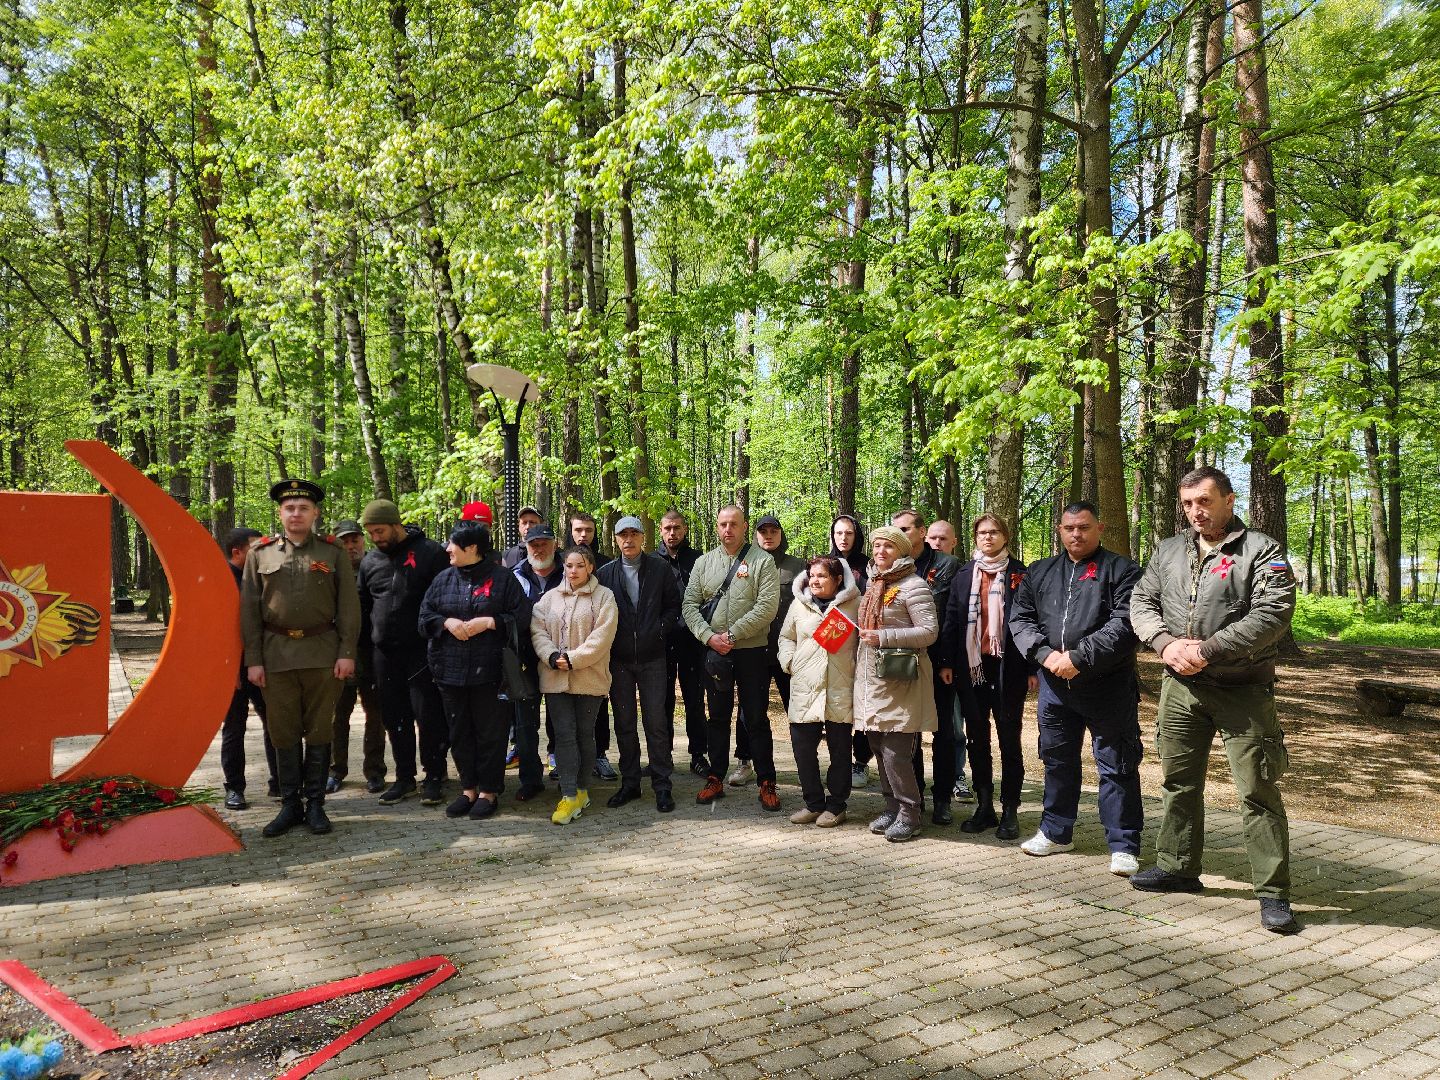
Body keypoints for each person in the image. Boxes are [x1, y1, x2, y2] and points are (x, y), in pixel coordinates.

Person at [1129, 467, 1300, 934]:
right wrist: (1166, 645)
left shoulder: (1260, 550)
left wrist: (1206, 650)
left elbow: (1273, 614)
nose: (1195, 512)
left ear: (1228, 499)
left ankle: (1272, 892)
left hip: (1243, 689)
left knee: (1257, 790)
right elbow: (1141, 602)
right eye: (1187, 504)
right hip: (1180, 688)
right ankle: (1178, 867)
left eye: (1204, 502)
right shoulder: (1168, 550)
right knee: (1179, 781)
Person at [1007, 503, 1144, 875]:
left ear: (1099, 528)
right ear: (1059, 529)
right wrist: (1046, 654)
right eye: (1069, 528)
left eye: (1084, 527)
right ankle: (1055, 831)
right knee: (1056, 759)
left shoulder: (1123, 570)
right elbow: (1020, 617)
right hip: (1054, 686)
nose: (1076, 535)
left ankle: (1123, 842)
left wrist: (1079, 657)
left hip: (1107, 685)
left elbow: (1126, 623)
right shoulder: (1040, 571)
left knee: (1116, 763)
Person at [240, 479, 360, 838]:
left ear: (315, 513)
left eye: (303, 508)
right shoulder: (259, 554)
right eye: (290, 508)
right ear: (280, 512)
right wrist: (254, 659)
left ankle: (316, 805)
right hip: (276, 657)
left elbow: (349, 609)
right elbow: (248, 611)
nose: (296, 514)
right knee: (283, 732)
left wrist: (347, 653)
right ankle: (290, 805)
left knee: (321, 729)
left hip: (323, 654)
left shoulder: (332, 552)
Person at [419, 521, 532, 821]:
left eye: (452, 544)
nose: (447, 549)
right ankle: (468, 788)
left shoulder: (503, 579)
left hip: (491, 672)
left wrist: (490, 622)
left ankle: (489, 791)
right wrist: (446, 623)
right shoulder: (442, 579)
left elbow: (522, 617)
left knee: (490, 733)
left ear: (471, 548)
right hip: (449, 672)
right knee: (460, 732)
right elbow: (424, 618)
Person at [681, 505, 782, 811]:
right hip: (715, 653)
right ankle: (716, 776)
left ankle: (766, 781)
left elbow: (767, 606)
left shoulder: (762, 561)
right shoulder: (704, 562)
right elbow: (689, 605)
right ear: (717, 527)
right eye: (723, 524)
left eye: (734, 524)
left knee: (756, 718)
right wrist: (709, 637)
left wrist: (733, 635)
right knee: (718, 718)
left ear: (744, 526)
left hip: (752, 651)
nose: (728, 530)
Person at [941, 513, 1033, 839]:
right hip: (972, 666)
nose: (988, 537)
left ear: (1005, 537)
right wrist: (947, 663)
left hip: (1009, 668)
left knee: (1009, 740)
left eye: (994, 532)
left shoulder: (1021, 573)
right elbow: (952, 619)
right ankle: (984, 806)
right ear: (975, 537)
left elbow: (1032, 623)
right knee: (977, 738)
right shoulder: (965, 574)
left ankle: (1010, 809)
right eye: (982, 532)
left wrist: (1033, 668)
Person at [357, 499, 450, 807]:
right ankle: (405, 778)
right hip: (384, 654)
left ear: (396, 524)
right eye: (371, 532)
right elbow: (363, 608)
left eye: (380, 530)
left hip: (422, 652)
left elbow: (443, 600)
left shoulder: (430, 553)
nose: (376, 537)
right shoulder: (370, 562)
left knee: (429, 716)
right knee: (394, 717)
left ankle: (434, 776)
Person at [853, 525, 939, 842]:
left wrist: (883, 636)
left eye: (888, 546)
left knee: (896, 752)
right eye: (876, 546)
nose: (880, 551)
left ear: (902, 551)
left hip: (902, 680)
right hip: (873, 679)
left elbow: (929, 631)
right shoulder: (875, 584)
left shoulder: (913, 586)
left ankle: (910, 814)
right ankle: (891, 808)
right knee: (877, 746)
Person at [596, 516, 682, 812]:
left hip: (653, 657)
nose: (628, 540)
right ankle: (630, 783)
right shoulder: (606, 573)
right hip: (618, 660)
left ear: (643, 537)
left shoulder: (659, 569)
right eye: (623, 535)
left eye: (634, 534)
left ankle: (662, 786)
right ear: (616, 539)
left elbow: (674, 605)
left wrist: (659, 629)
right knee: (624, 723)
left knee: (656, 723)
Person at [531, 546, 619, 824]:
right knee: (564, 734)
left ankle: (582, 790)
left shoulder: (604, 597)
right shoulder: (548, 599)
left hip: (589, 677)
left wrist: (572, 659)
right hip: (555, 677)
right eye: (569, 565)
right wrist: (552, 656)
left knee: (584, 734)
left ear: (590, 567)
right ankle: (568, 794)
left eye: (579, 565)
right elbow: (538, 630)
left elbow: (602, 637)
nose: (573, 571)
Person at [777, 556, 860, 827]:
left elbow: (864, 642)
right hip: (805, 686)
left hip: (840, 686)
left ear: (838, 579)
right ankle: (813, 803)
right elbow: (785, 637)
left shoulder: (855, 605)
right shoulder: (799, 605)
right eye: (812, 575)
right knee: (802, 748)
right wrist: (790, 662)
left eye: (822, 576)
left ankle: (836, 806)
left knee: (839, 749)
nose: (815, 580)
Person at [891, 508, 960, 825]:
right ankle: (913, 795)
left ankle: (943, 797)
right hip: (902, 662)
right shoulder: (893, 567)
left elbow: (950, 617)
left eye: (905, 529)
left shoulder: (946, 565)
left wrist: (946, 660)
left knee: (944, 731)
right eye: (895, 530)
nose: (899, 535)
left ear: (921, 532)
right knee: (909, 730)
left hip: (938, 661)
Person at [732, 514, 805, 787]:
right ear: (756, 535)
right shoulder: (743, 564)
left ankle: (804, 762)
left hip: (788, 651)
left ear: (781, 534)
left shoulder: (798, 566)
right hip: (753, 649)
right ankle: (744, 761)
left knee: (797, 709)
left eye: (774, 530)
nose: (768, 535)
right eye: (763, 531)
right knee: (749, 711)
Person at [328, 520, 387, 795]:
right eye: (345, 541)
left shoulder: (376, 566)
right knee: (337, 716)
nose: (350, 546)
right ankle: (335, 770)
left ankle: (374, 771)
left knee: (375, 716)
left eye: (354, 540)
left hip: (372, 654)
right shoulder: (329, 570)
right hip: (340, 654)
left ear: (363, 541)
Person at [220, 527, 276, 810]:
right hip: (235, 670)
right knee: (234, 727)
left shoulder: (261, 577)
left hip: (263, 664)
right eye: (256, 547)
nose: (262, 552)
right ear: (237, 552)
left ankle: (279, 781)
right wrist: (229, 670)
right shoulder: (220, 582)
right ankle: (234, 788)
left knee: (275, 723)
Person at [512, 521, 564, 801]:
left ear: (554, 544)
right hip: (524, 660)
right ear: (526, 547)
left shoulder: (570, 572)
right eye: (534, 544)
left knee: (562, 721)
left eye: (544, 543)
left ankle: (566, 777)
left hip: (561, 658)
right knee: (524, 724)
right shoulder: (514, 575)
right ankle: (530, 780)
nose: (539, 548)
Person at [924, 519, 973, 804]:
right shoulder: (914, 570)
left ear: (954, 542)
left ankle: (957, 775)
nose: (937, 544)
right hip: (919, 659)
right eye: (932, 538)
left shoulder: (959, 570)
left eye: (943, 539)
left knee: (953, 726)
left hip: (949, 660)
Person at [659, 510, 709, 776]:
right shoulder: (651, 562)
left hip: (694, 641)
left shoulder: (699, 560)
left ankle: (698, 755)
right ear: (660, 530)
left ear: (685, 529)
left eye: (677, 528)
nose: (672, 533)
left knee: (694, 700)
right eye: (667, 528)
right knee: (662, 701)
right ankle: (662, 755)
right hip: (662, 642)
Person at [568, 510, 617, 779]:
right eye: (578, 530)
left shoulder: (606, 565)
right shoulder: (562, 563)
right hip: (565, 652)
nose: (583, 535)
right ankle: (563, 757)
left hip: (597, 651)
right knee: (563, 708)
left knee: (597, 705)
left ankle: (599, 755)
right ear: (570, 531)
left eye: (588, 530)